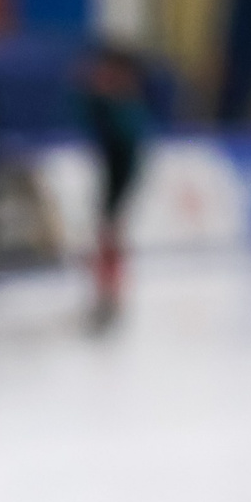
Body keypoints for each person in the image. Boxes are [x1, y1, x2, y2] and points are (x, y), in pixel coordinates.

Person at [78, 42, 149, 333]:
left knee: (110, 235)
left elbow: (127, 145)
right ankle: (106, 294)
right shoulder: (112, 103)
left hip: (120, 177)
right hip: (113, 174)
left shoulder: (124, 105)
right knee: (107, 236)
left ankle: (109, 295)